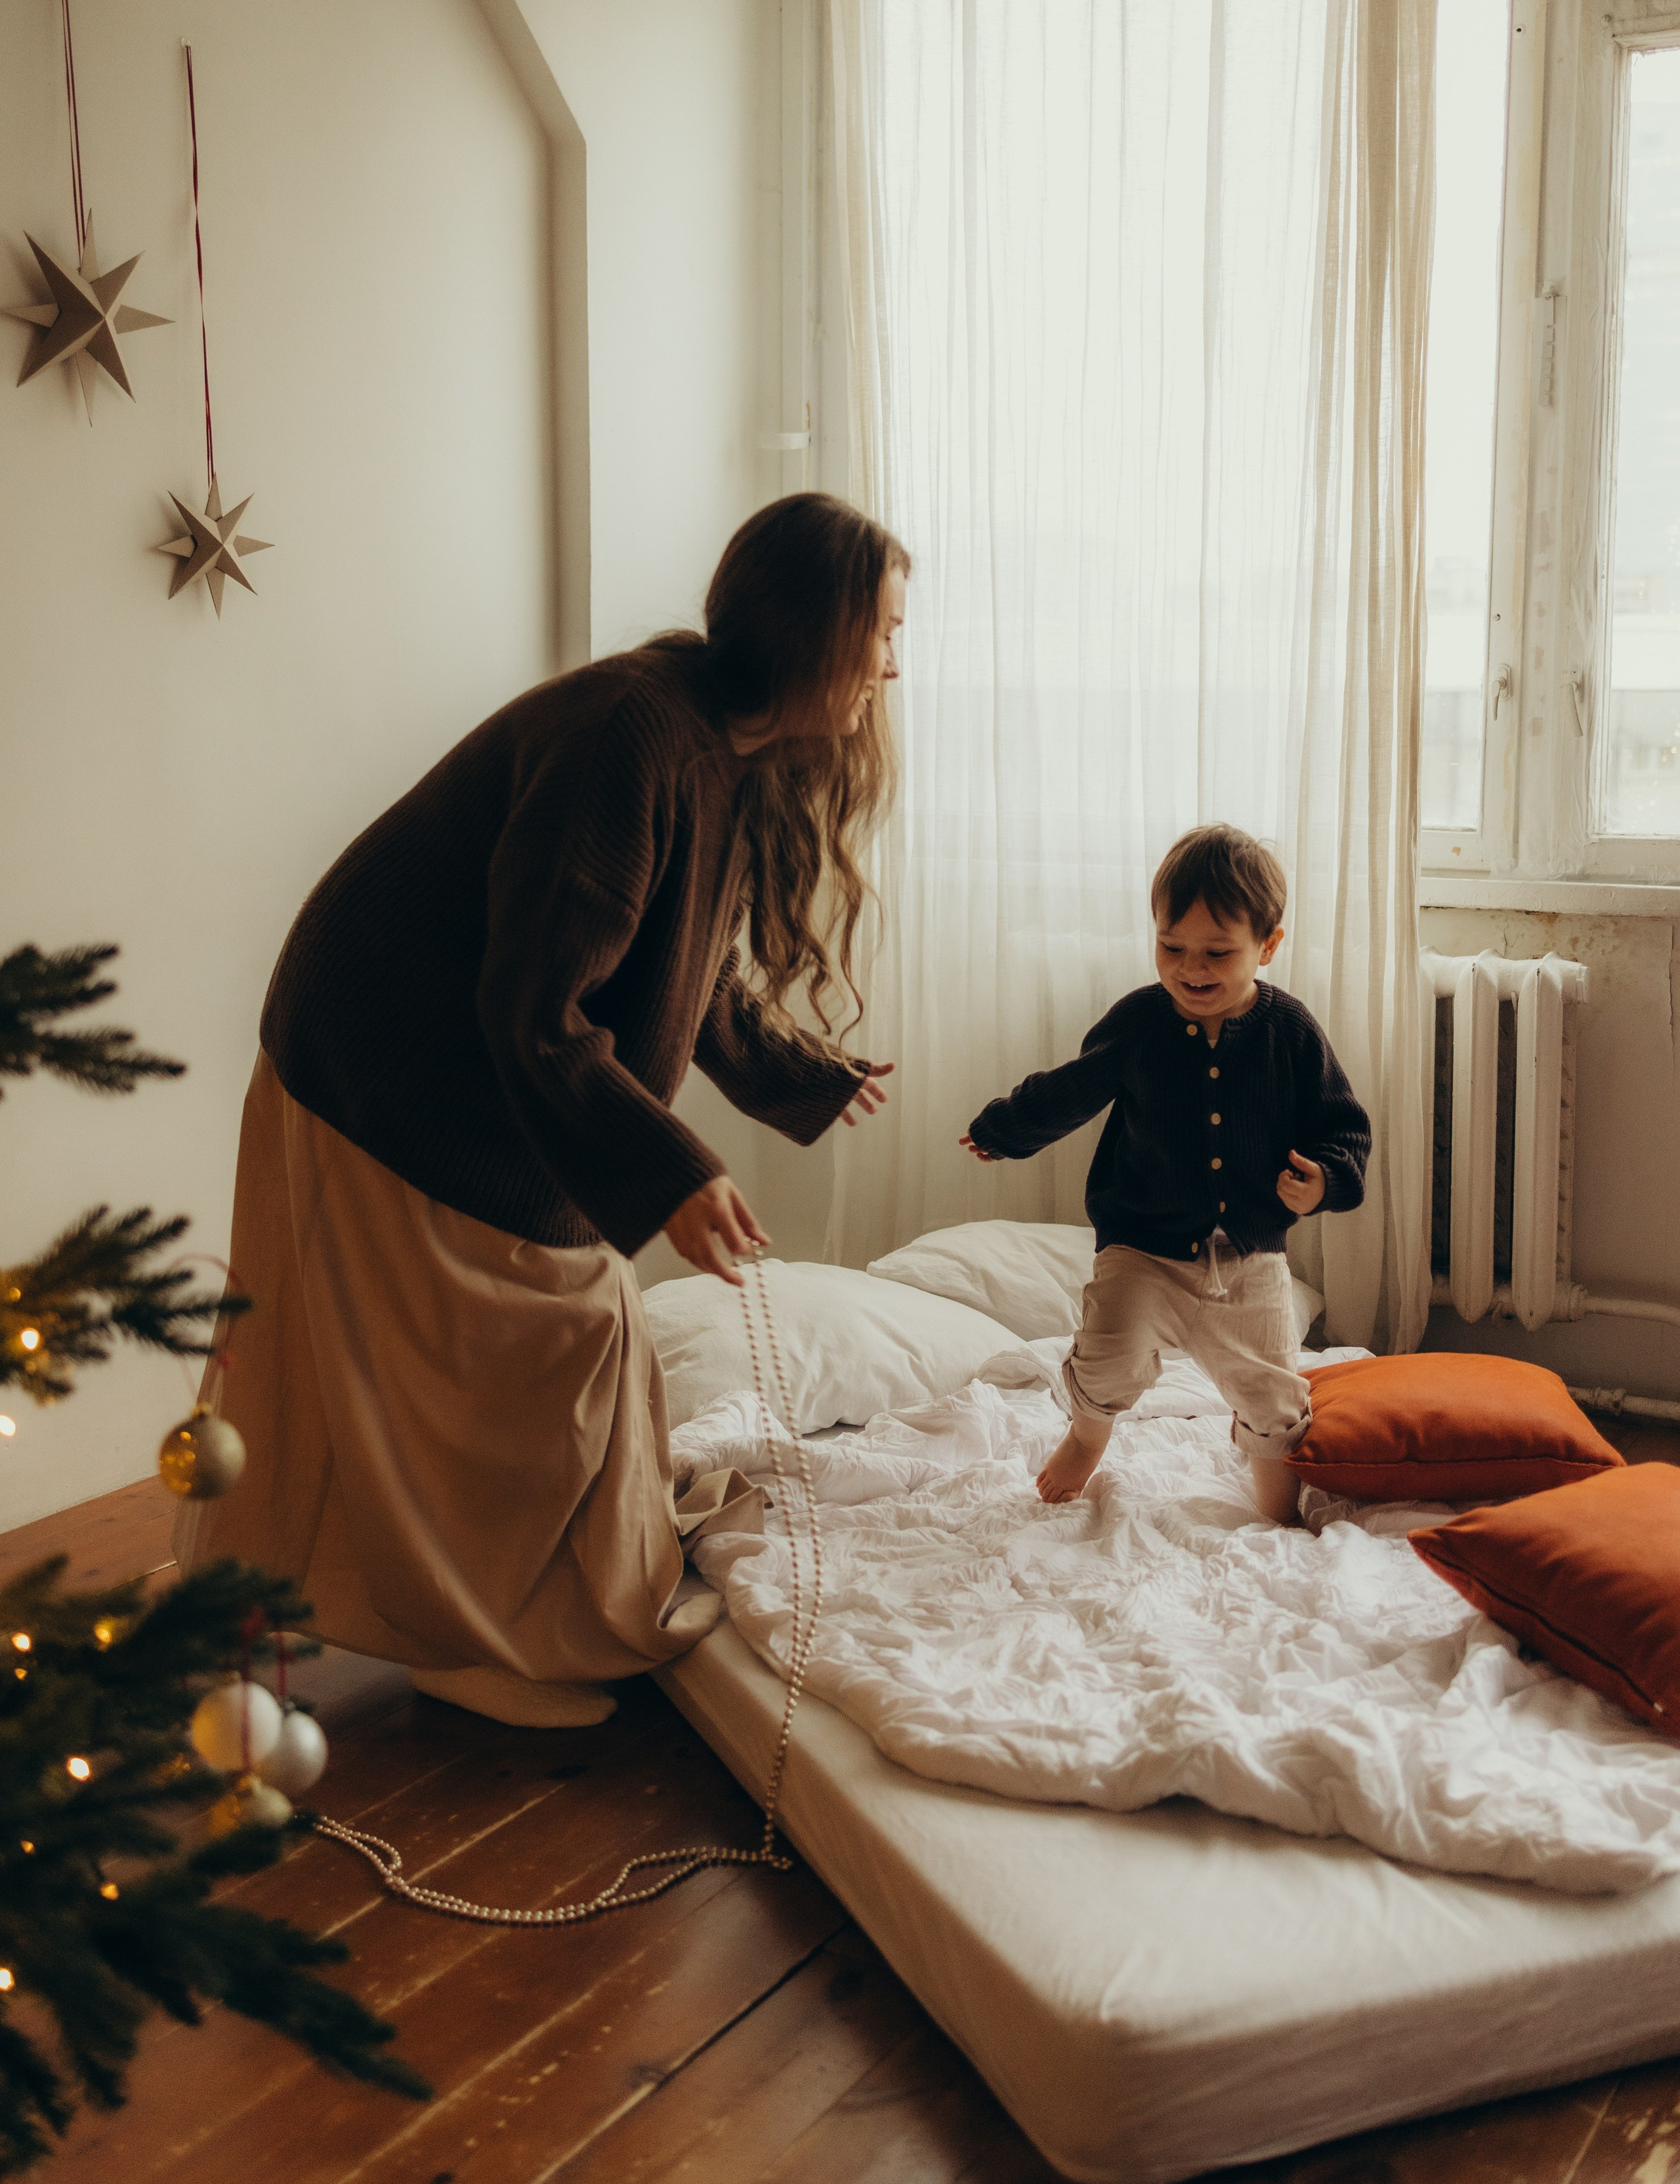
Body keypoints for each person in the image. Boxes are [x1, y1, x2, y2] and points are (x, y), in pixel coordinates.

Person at [177, 495, 906, 1725]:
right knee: (531, 1351)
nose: (892, 662)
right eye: (883, 631)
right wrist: (672, 1171)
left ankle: (496, 1612)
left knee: (564, 1343)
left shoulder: (725, 747)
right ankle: (470, 1640)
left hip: (479, 1059)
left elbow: (680, 973)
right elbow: (538, 1005)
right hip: (384, 1058)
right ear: (817, 632)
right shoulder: (634, 740)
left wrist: (803, 1075)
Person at [961, 825, 1369, 1524]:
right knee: (1106, 1354)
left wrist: (1324, 1179)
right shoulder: (1141, 1022)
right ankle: (1087, 1438)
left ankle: (1277, 1507)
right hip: (1141, 1245)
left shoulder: (1290, 1032)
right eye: (1170, 948)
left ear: (1267, 946)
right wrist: (1006, 1127)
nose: (1190, 968)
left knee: (1273, 1391)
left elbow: (1343, 1127)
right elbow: (1073, 1088)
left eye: (1217, 952)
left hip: (1247, 1252)